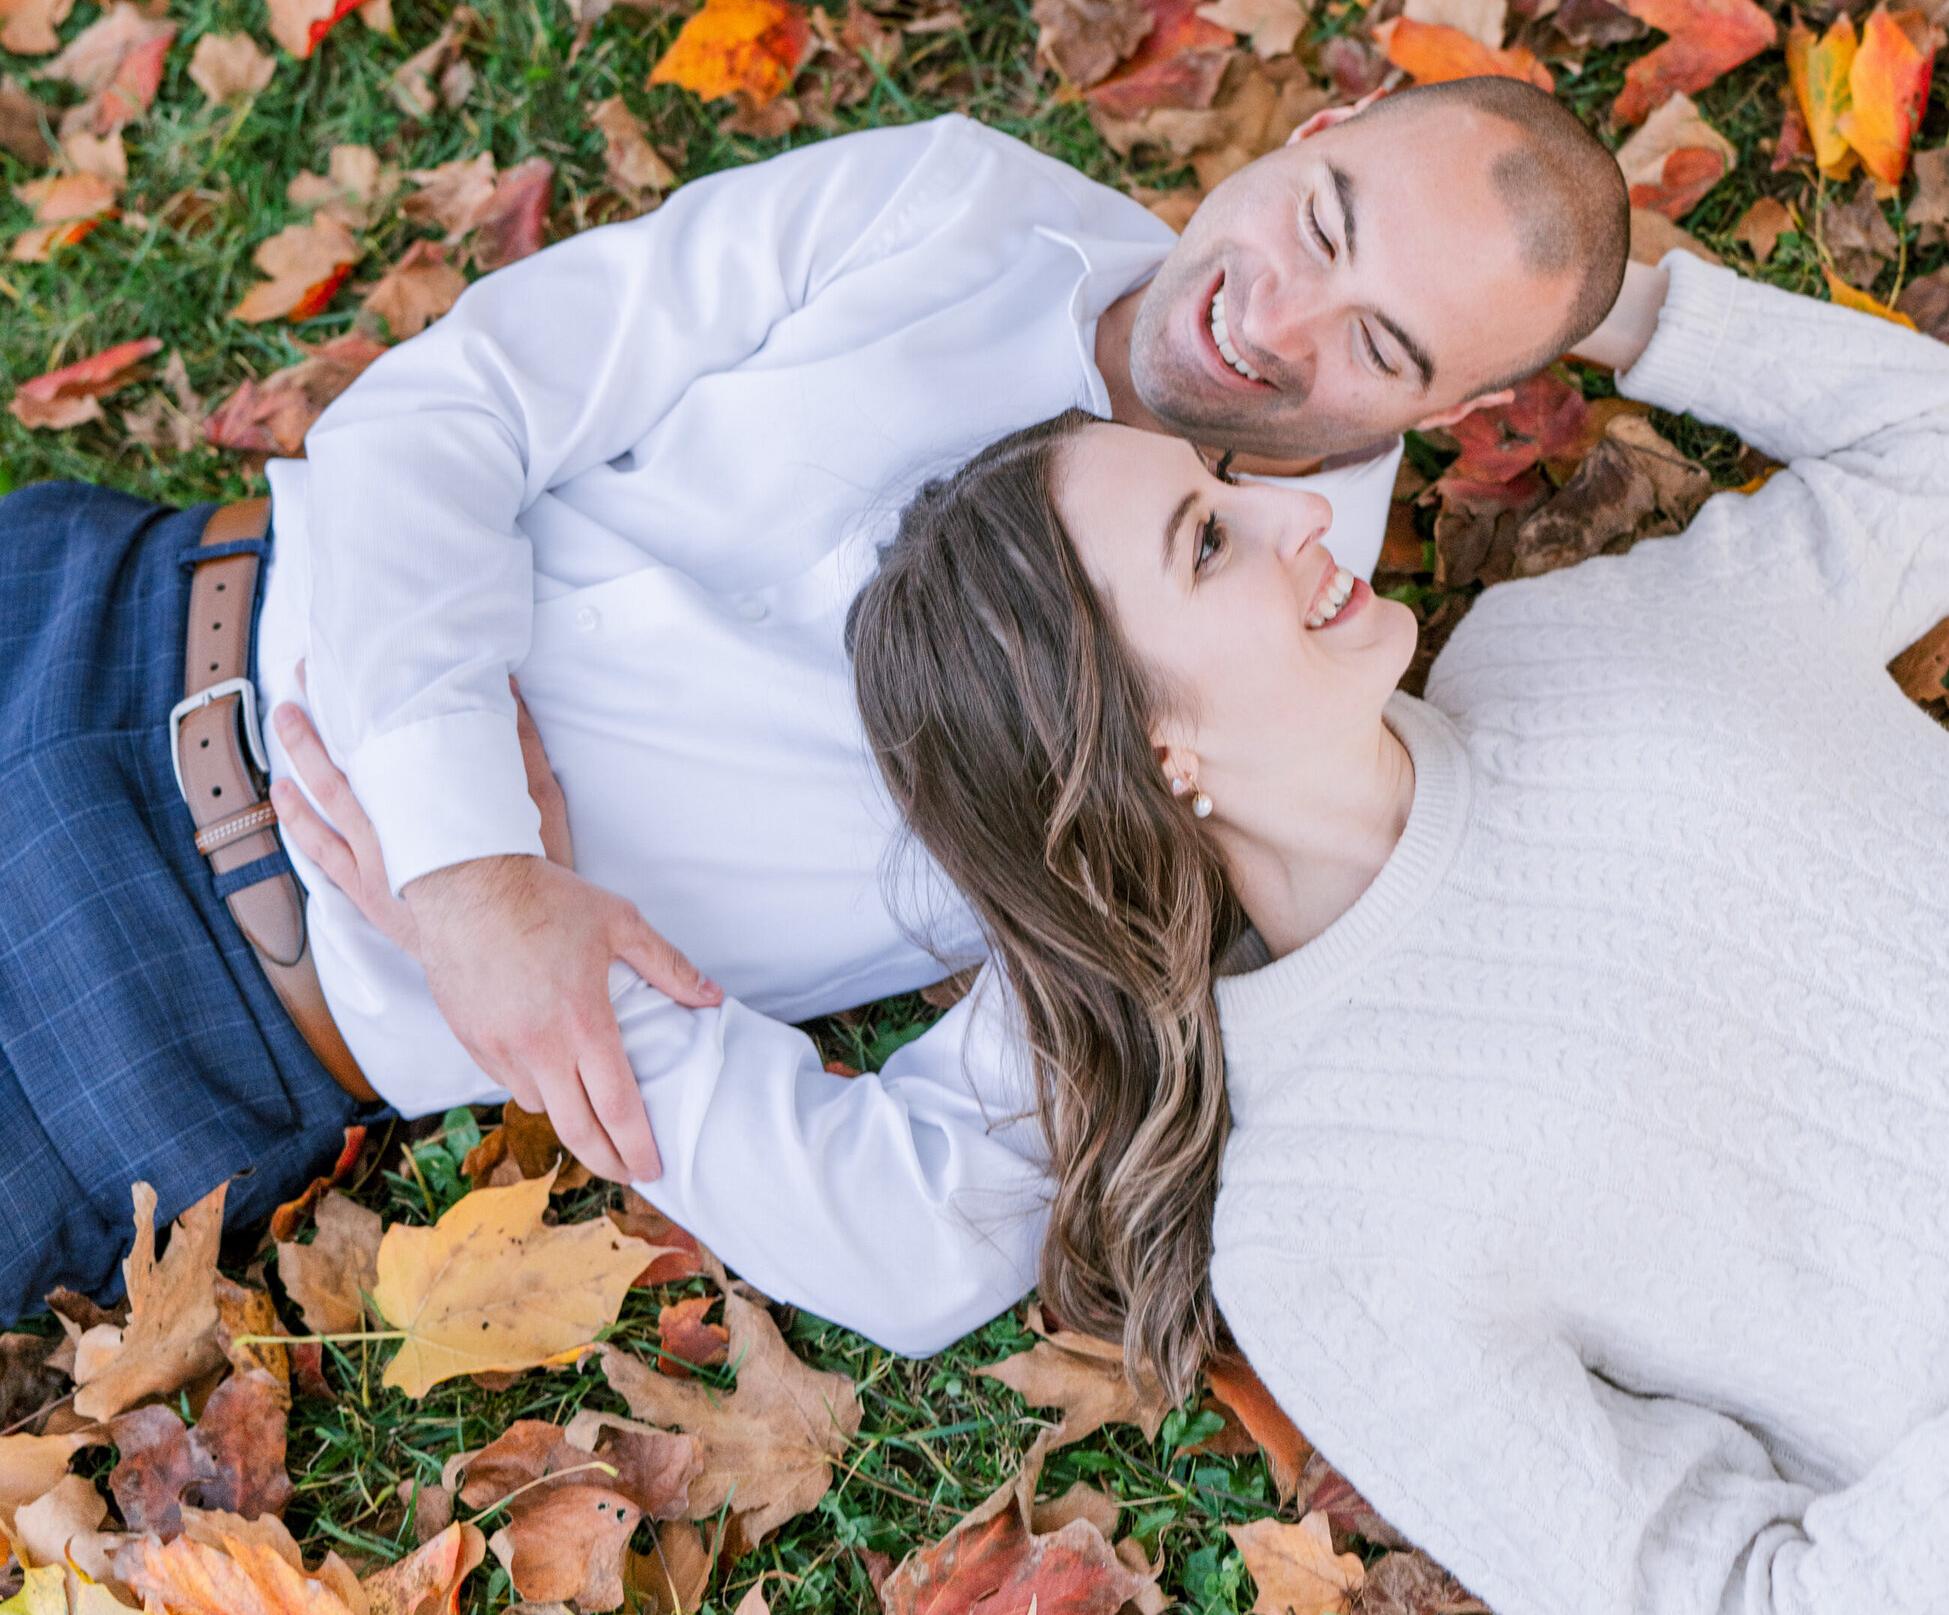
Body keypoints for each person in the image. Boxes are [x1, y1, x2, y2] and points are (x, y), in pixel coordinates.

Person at [846, 241, 1949, 1615]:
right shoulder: (1321, 1230)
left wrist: (1578, 296)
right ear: (1141, 750)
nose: (1302, 508)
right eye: (1207, 543)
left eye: (1229, 476)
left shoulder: (1561, 650)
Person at [0, 83, 1630, 1339]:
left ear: (1464, 410)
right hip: (105, 607)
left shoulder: (1277, 688)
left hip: (160, 1014)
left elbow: (930, 1229)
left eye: (1378, 345)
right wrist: (467, 863)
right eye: (1323, 224)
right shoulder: (955, 198)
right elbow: (457, 402)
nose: (1271, 324)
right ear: (1318, 128)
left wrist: (569, 990)